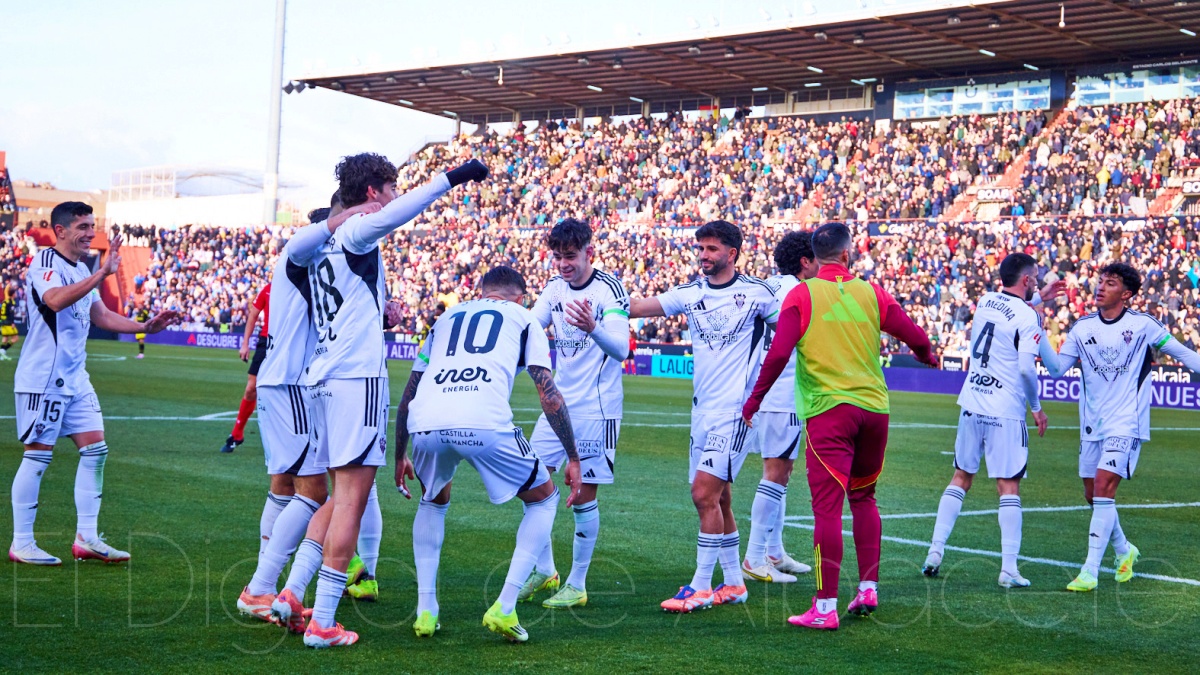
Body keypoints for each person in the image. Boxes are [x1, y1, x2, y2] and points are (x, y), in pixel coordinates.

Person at [289, 154, 488, 649]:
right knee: (351, 501)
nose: (396, 195)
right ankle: (323, 621)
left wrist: (381, 312)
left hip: (324, 377)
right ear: (373, 192)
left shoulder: (320, 244)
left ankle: (292, 592)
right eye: (391, 187)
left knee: (337, 496)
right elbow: (404, 211)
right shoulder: (357, 230)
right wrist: (455, 176)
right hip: (355, 381)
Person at [742, 222, 937, 630]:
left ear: (814, 256)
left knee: (827, 510)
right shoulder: (872, 292)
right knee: (864, 498)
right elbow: (915, 335)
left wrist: (755, 399)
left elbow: (778, 354)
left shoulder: (803, 294)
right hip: (874, 410)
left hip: (830, 411)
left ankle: (825, 606)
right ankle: (867, 588)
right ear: (848, 254)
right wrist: (927, 356)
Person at [396, 265, 582, 642]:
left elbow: (409, 391)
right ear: (521, 298)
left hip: (426, 421)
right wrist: (573, 457)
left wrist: (400, 453)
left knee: (433, 500)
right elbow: (548, 392)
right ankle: (505, 606)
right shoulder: (524, 318)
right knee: (544, 499)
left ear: (482, 292)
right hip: (482, 421)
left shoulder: (445, 318)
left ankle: (426, 609)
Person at [235, 201, 381, 630]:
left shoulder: (299, 268)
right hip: (294, 382)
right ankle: (262, 587)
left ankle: (266, 586)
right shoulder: (310, 259)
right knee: (317, 492)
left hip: (280, 379)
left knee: (285, 485)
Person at [9, 202, 180, 566]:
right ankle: (22, 542)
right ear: (60, 231)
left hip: (75, 377)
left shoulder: (82, 268)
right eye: (83, 227)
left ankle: (87, 538)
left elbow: (100, 314)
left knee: (96, 451)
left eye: (92, 226)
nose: (91, 233)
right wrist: (102, 273)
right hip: (44, 377)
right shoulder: (45, 262)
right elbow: (54, 301)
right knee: (37, 457)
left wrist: (144, 327)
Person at [629, 220, 778, 614]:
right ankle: (734, 584)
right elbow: (638, 307)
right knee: (720, 498)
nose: (704, 255)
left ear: (732, 253)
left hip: (736, 413)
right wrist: (597, 298)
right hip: (702, 412)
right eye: (701, 248)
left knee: (703, 494)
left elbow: (794, 331)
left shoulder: (758, 294)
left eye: (712, 249)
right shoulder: (690, 293)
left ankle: (699, 587)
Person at [1039, 262, 1200, 592]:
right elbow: (1056, 370)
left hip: (1127, 422)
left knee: (1103, 486)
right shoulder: (1082, 328)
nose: (1100, 287)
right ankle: (1125, 550)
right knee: (1092, 494)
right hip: (1091, 425)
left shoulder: (1143, 325)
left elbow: (1184, 355)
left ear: (1126, 294)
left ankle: (1090, 571)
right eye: (1101, 281)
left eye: (1110, 283)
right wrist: (1038, 331)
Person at [921, 253, 1054, 589]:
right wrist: (1036, 408)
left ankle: (935, 551)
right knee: (1008, 486)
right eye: (1035, 278)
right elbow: (1027, 368)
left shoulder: (985, 301)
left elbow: (1011, 311)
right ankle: (1008, 569)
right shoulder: (1028, 316)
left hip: (972, 402)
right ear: (1026, 279)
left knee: (960, 477)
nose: (1037, 282)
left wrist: (1040, 298)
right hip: (1005, 408)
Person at [517, 218, 629, 609]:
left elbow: (621, 349)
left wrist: (593, 327)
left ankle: (577, 584)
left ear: (588, 253)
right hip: (559, 406)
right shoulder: (554, 288)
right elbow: (531, 327)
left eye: (570, 256)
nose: (564, 264)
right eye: (558, 257)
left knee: (581, 497)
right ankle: (546, 570)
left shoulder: (609, 289)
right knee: (529, 480)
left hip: (598, 409)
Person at [742, 231, 818, 584]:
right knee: (776, 472)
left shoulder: (768, 285)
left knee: (779, 471)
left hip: (762, 388)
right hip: (782, 389)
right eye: (817, 259)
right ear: (805, 261)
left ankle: (773, 551)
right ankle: (755, 557)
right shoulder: (799, 292)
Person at [220, 283, 271, 454]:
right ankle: (237, 434)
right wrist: (245, 344)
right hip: (266, 341)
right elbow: (253, 316)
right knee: (251, 388)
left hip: (290, 342)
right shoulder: (268, 289)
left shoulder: (300, 286)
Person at [0, 287, 18, 360]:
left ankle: (1, 355)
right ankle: (3, 350)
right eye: (15, 293)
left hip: (3, 322)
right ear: (13, 294)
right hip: (8, 323)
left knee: (5, 338)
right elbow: (10, 314)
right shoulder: (10, 302)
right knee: (15, 338)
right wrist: (12, 322)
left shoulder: (6, 301)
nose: (16, 294)